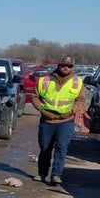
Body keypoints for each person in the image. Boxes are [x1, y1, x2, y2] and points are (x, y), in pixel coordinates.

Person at [30, 55, 85, 186]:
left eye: (69, 65)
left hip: (66, 121)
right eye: (63, 65)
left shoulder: (77, 82)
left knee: (61, 147)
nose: (66, 67)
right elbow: (34, 97)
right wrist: (42, 111)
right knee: (45, 148)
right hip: (47, 120)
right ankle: (42, 173)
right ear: (58, 65)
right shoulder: (44, 80)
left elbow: (80, 101)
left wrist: (71, 111)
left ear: (72, 67)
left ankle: (56, 175)